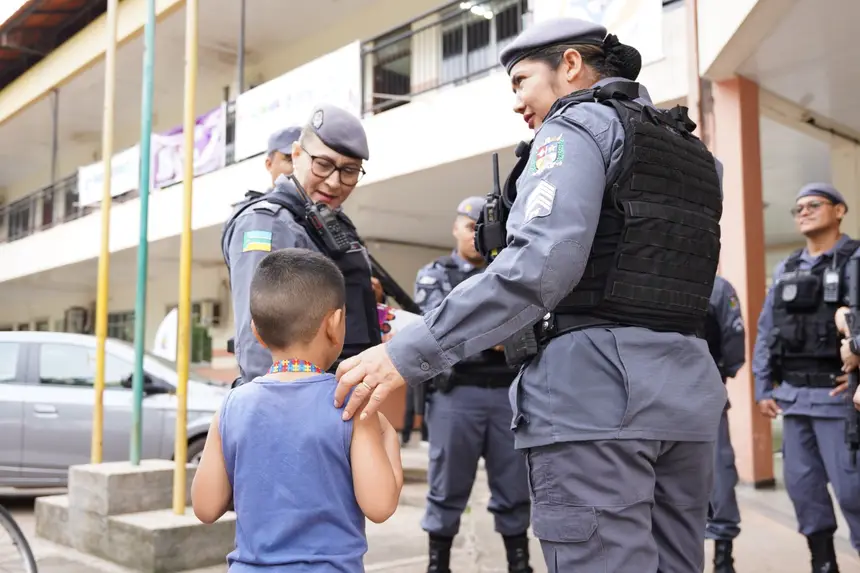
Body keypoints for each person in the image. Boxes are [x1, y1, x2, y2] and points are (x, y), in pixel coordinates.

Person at [333, 17, 726, 573]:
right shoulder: (695, 154)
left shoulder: (577, 128)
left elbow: (537, 269)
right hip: (686, 400)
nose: (517, 102)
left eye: (520, 81)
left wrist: (406, 352)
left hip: (595, 403)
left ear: (569, 64)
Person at [191, 248, 403, 571]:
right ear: (335, 323)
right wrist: (388, 436)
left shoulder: (232, 406)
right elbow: (380, 505)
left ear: (256, 332)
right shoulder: (351, 405)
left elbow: (205, 507)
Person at [221, 104, 383, 386]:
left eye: (349, 171)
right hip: (296, 402)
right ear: (297, 155)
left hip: (341, 394)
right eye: (323, 164)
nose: (334, 182)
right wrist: (277, 407)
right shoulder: (268, 223)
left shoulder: (329, 221)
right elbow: (259, 336)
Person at [414, 196, 532, 573]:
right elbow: (438, 329)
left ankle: (520, 565)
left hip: (507, 395)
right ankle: (438, 565)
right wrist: (497, 330)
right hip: (456, 395)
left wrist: (475, 330)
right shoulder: (435, 273)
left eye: (482, 227)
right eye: (469, 226)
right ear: (455, 228)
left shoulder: (513, 272)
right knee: (447, 487)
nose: (476, 235)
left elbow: (527, 326)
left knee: (514, 489)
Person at [754, 183, 860, 572]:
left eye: (814, 204)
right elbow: (768, 329)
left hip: (842, 401)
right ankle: (823, 563)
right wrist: (762, 384)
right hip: (795, 399)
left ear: (839, 210)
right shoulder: (787, 268)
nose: (804, 211)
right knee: (804, 490)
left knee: (854, 492)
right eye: (797, 207)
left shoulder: (855, 260)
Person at [704, 275, 746, 573]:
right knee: (718, 475)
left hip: (652, 397)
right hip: (705, 392)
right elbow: (733, 347)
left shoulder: (718, 287)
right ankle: (722, 560)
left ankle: (721, 557)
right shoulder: (716, 286)